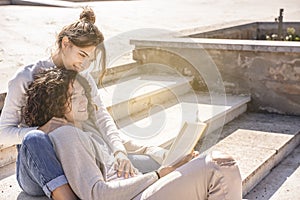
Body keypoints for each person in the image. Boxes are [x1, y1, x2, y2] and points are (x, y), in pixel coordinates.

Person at [0, 7, 161, 199]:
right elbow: (3, 134)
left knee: (153, 165)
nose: (84, 65)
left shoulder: (81, 76)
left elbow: (101, 116)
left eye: (90, 60)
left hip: (80, 162)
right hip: (40, 164)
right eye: (82, 55)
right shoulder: (26, 77)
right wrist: (41, 129)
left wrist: (119, 151)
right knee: (34, 139)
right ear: (66, 43)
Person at [23, 68, 242, 200]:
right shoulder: (67, 135)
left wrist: (177, 158)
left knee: (220, 166)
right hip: (136, 195)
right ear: (54, 105)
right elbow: (98, 194)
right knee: (220, 166)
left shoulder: (90, 129)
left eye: (83, 93)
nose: (83, 101)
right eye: (72, 97)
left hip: (145, 188)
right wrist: (159, 175)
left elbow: (142, 149)